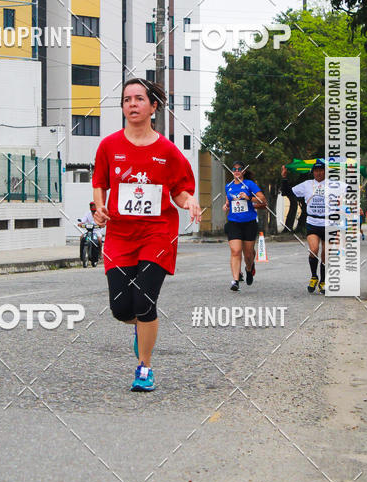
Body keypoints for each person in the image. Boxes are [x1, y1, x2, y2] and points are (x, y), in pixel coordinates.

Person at [92, 78, 201, 392]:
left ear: (153, 107)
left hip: (157, 233)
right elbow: (100, 183)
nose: (132, 104)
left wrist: (189, 201)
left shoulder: (167, 151)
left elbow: (179, 190)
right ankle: (142, 328)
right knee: (121, 309)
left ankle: (145, 367)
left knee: (144, 301)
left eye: (139, 99)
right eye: (127, 99)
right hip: (120, 235)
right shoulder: (109, 146)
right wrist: (99, 208)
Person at [280, 159, 336, 294]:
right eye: (316, 171)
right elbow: (287, 192)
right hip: (313, 222)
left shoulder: (333, 185)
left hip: (328, 223)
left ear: (325, 172)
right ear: (313, 172)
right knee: (314, 250)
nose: (319, 173)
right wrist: (284, 177)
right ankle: (314, 276)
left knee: (326, 254)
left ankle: (323, 281)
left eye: (321, 170)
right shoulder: (307, 184)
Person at [222, 161, 267, 291]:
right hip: (234, 222)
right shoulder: (228, 186)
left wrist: (249, 198)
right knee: (235, 251)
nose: (237, 171)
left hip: (249, 223)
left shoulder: (249, 184)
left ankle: (249, 268)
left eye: (239, 169)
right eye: (234, 169)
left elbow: (263, 200)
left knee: (248, 254)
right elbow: (229, 201)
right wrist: (226, 205)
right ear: (232, 171)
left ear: (244, 171)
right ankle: (235, 281)